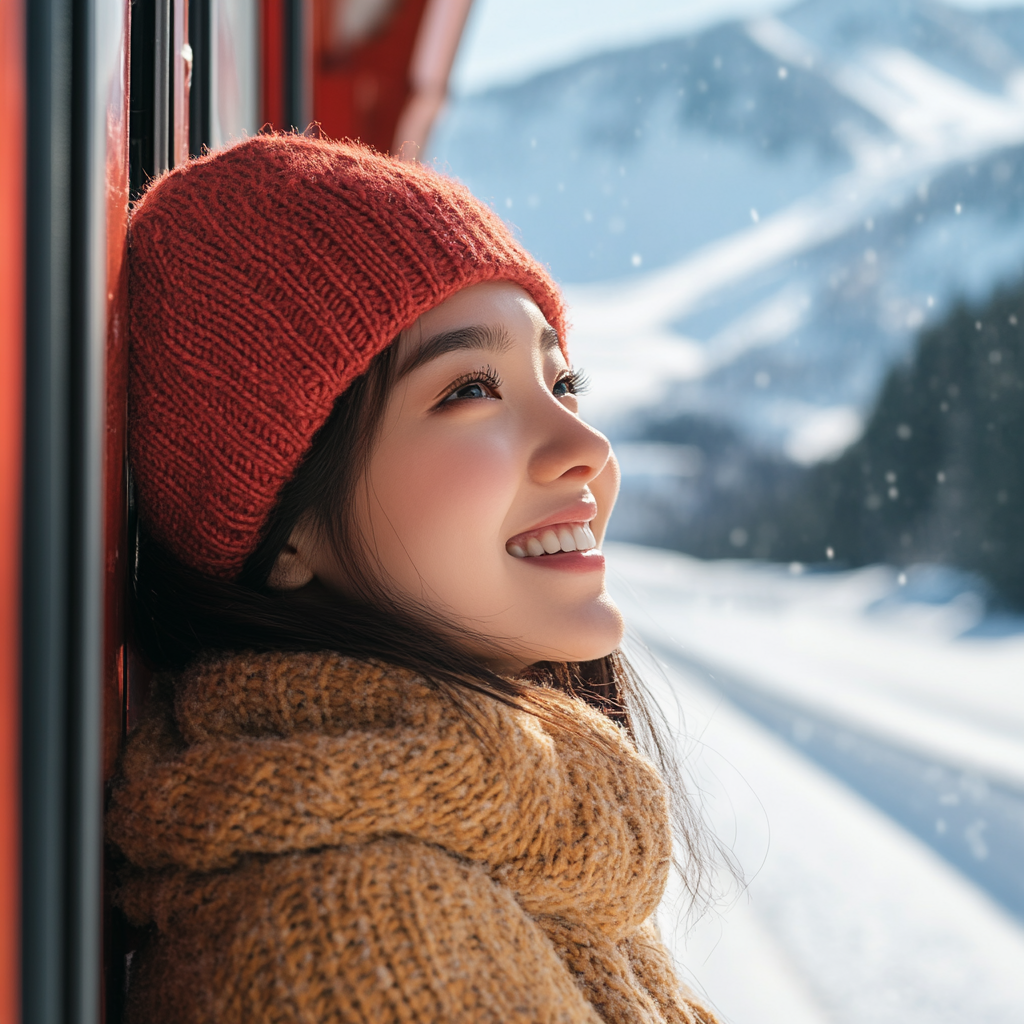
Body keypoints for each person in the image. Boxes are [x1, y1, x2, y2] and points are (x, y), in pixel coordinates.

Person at [106, 133, 719, 1024]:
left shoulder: (496, 838)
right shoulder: (361, 941)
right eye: (471, 389)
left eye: (562, 380)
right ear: (288, 533)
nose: (587, 448)